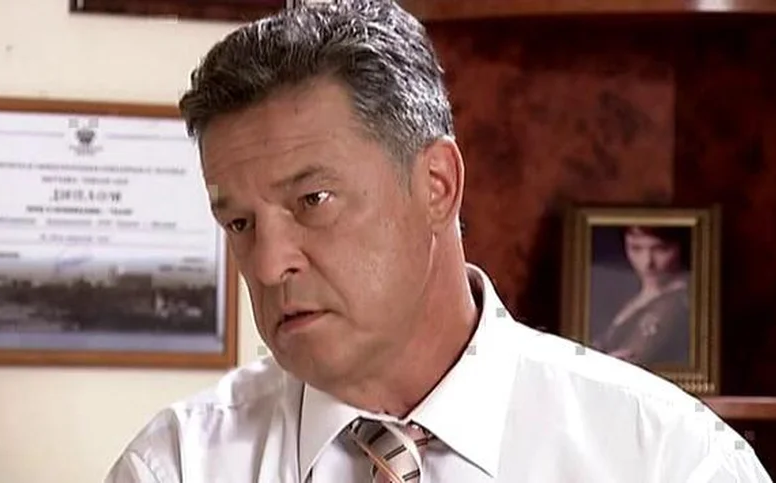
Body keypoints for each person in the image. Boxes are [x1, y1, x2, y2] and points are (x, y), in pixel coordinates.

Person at [105, 1, 772, 481]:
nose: (270, 262)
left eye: (313, 200)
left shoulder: (669, 460)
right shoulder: (177, 465)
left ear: (437, 184)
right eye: (240, 224)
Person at [592, 226, 691, 365]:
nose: (647, 262)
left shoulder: (674, 304)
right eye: (636, 248)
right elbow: (582, 350)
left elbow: (629, 360)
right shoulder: (628, 292)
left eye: (661, 249)